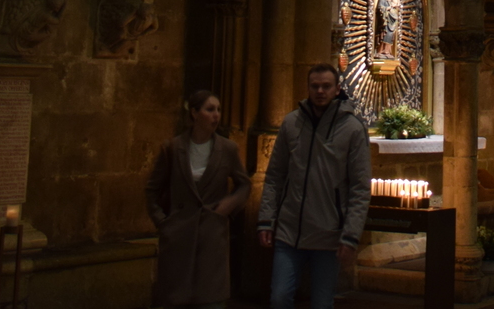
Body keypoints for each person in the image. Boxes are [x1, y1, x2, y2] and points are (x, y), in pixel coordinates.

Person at [257, 64, 371, 309]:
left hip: (328, 234)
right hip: (290, 230)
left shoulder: (352, 128)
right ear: (308, 88)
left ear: (337, 89)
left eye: (326, 86)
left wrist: (350, 235)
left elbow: (360, 187)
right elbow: (275, 175)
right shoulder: (292, 123)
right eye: (315, 86)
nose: (320, 91)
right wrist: (266, 219)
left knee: (321, 303)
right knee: (279, 297)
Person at [146, 90, 248, 309]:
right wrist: (163, 222)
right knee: (177, 298)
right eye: (209, 109)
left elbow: (244, 184)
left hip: (211, 234)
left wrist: (229, 205)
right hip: (179, 235)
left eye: (218, 110)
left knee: (210, 299)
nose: (216, 115)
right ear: (194, 113)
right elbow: (152, 189)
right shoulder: (173, 148)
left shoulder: (227, 149)